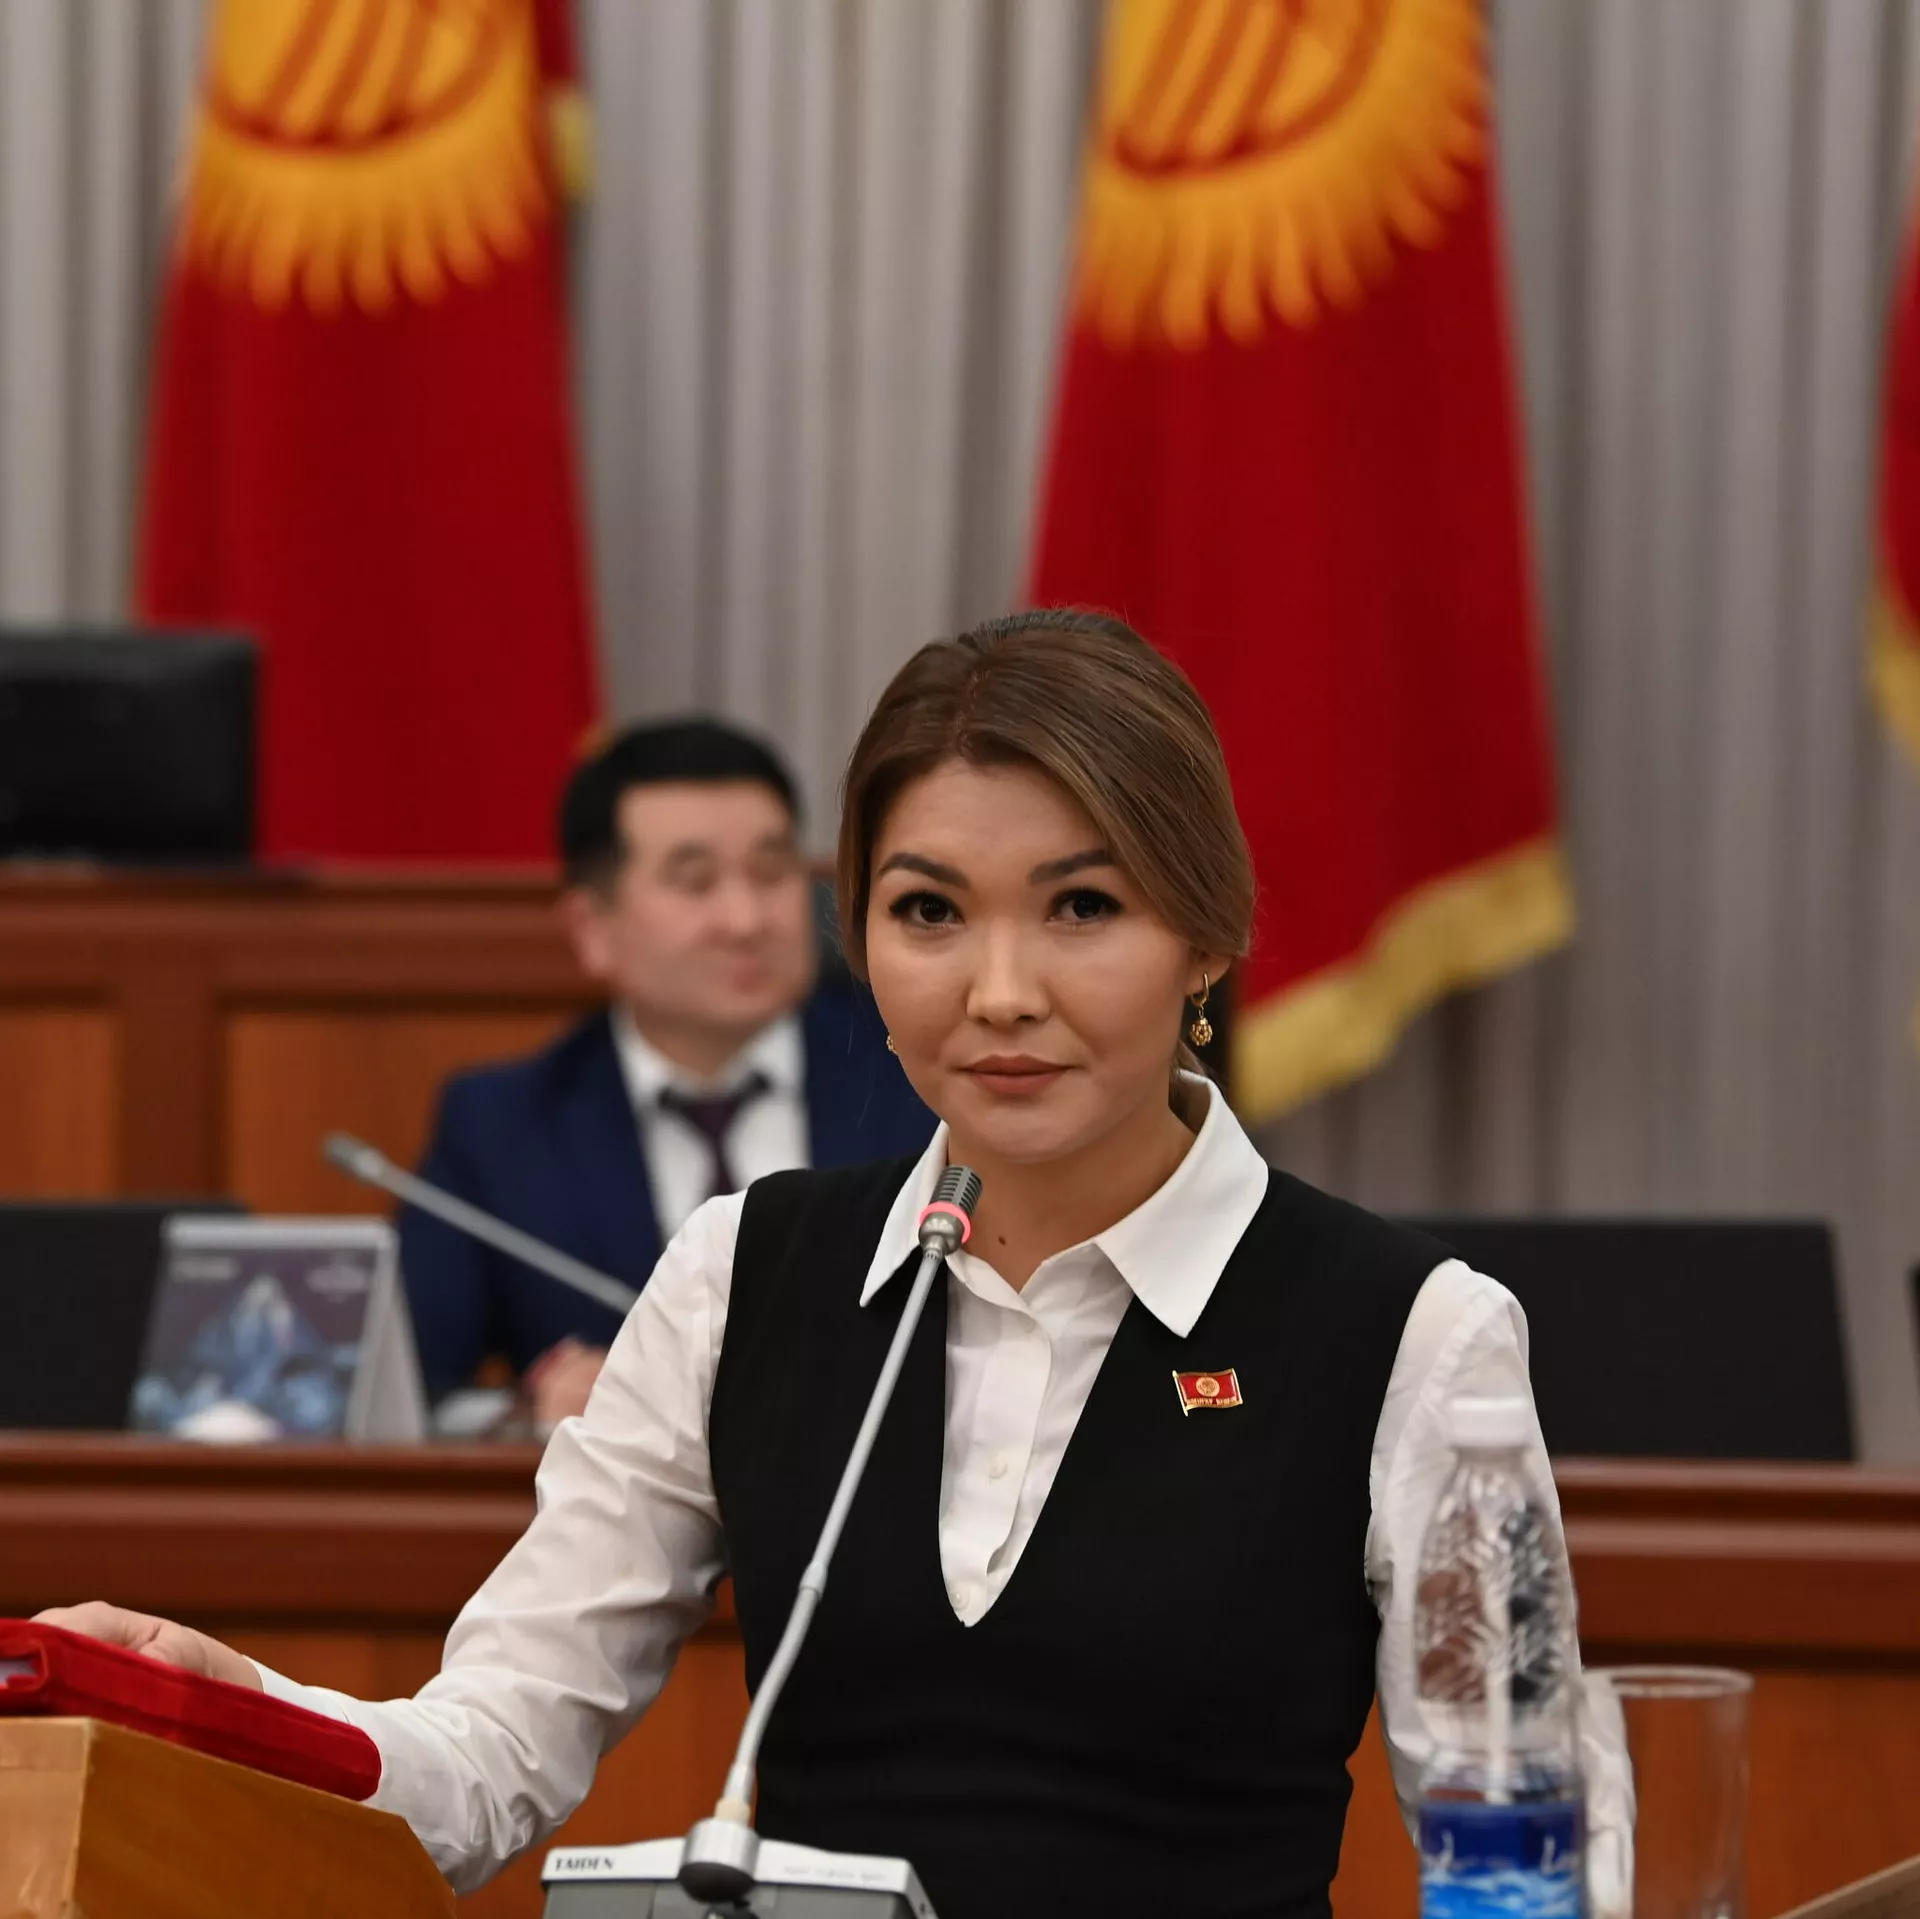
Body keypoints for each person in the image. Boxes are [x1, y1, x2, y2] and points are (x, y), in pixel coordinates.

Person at [39, 612, 1628, 1919]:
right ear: (858, 941)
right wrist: (228, 1704)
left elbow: (1535, 1862)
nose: (998, 989)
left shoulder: (1413, 1331)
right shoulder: (746, 1269)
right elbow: (484, 1757)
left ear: (1207, 936)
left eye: (1082, 905)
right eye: (928, 910)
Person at [400, 718, 933, 1419]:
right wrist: (526, 1412)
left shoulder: (919, 1080)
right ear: (592, 929)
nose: (745, 919)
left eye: (771, 872)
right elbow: (414, 1393)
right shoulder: (502, 1125)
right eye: (696, 881)